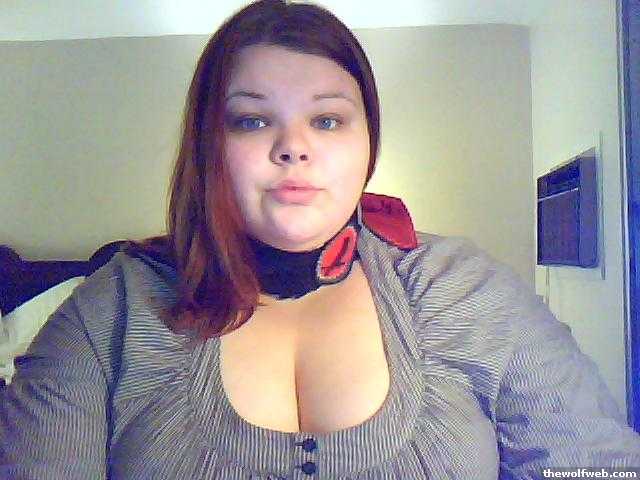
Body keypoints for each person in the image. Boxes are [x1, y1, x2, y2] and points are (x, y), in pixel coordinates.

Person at [1, 0, 639, 478]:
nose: (294, 147)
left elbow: (595, 466)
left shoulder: (465, 288)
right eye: (252, 120)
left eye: (328, 119)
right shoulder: (110, 309)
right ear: (208, 145)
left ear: (367, 142)